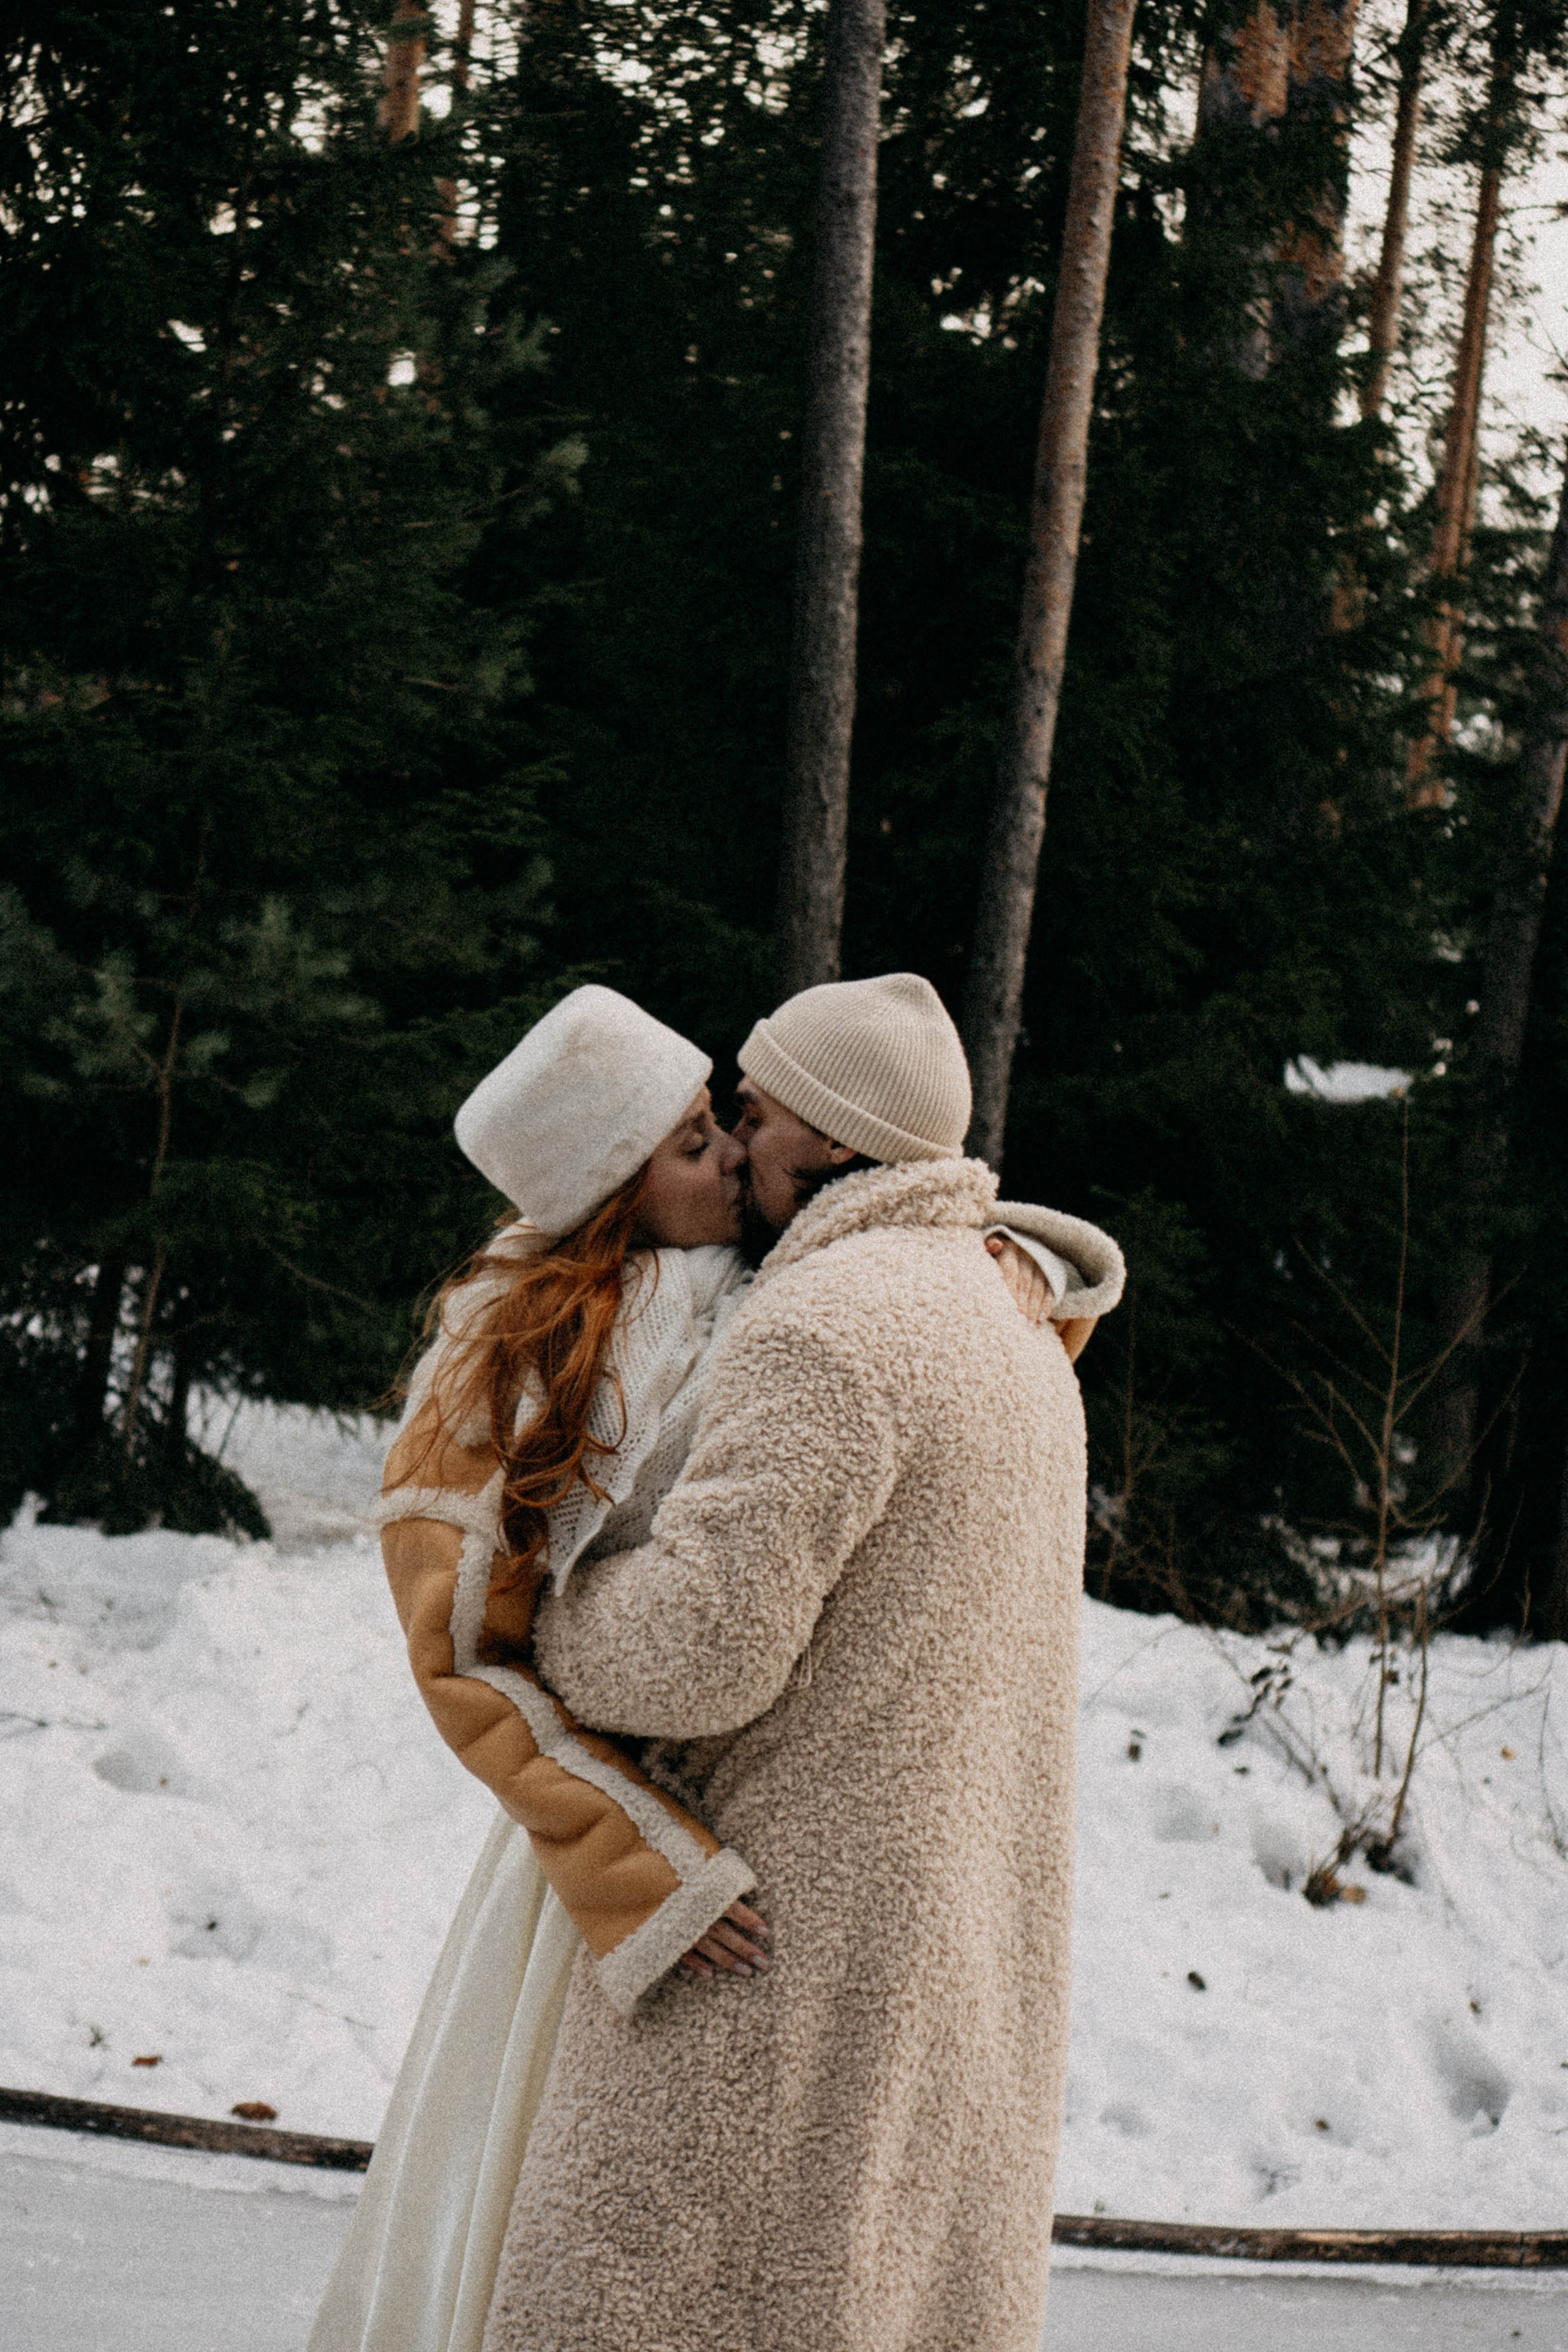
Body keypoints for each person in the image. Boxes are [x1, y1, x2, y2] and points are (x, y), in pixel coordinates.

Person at [310, 982, 1112, 2352]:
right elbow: (459, 1629)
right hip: (757, 1873)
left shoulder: (814, 1310)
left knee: (676, 2281)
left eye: (738, 1115)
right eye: (697, 1133)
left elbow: (697, 1644)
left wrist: (555, 1616)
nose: (734, 1147)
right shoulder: (997, 1323)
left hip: (772, 1880)